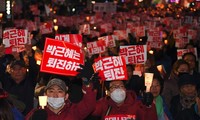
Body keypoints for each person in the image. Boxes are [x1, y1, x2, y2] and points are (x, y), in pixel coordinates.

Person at [25, 78, 96, 120]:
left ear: (66, 96)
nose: (55, 95)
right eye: (51, 91)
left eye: (59, 91)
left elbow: (89, 104)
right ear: (45, 95)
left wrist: (87, 84)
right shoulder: (36, 113)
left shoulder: (74, 111)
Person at [92, 80, 158, 120]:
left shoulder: (137, 105)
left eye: (121, 86)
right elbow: (88, 109)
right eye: (114, 87)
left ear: (125, 90)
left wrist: (149, 106)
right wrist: (91, 89)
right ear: (108, 92)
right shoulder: (103, 104)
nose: (119, 89)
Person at [1, 51, 39, 115]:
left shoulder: (30, 81)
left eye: (20, 69)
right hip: (10, 117)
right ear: (10, 71)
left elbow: (34, 69)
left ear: (25, 70)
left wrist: (30, 56)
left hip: (28, 117)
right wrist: (2, 57)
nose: (17, 72)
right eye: (14, 69)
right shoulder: (6, 82)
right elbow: (1, 71)